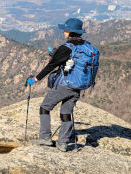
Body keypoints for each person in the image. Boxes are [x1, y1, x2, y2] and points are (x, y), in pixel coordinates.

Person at [25, 18, 91, 152]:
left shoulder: (66, 48)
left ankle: (45, 138)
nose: (63, 32)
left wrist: (35, 79)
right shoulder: (86, 46)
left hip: (64, 85)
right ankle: (63, 143)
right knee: (65, 113)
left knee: (45, 107)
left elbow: (51, 66)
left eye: (65, 30)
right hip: (78, 87)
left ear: (70, 32)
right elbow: (68, 59)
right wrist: (55, 53)